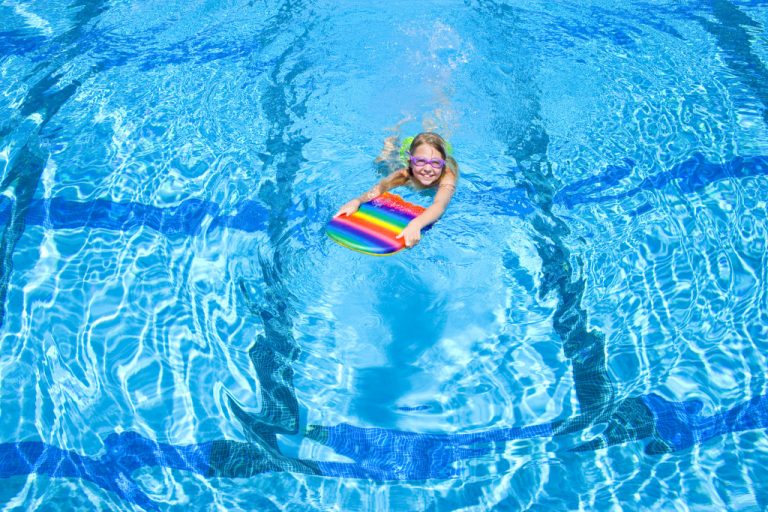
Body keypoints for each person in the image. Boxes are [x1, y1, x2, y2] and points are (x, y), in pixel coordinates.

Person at [336, 132, 458, 248]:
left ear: (443, 164)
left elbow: (440, 205)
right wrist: (357, 201)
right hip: (405, 162)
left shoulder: (447, 177)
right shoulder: (404, 175)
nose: (428, 168)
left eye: (436, 163)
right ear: (410, 161)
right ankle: (391, 144)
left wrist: (416, 224)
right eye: (420, 161)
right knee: (381, 165)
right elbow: (379, 189)